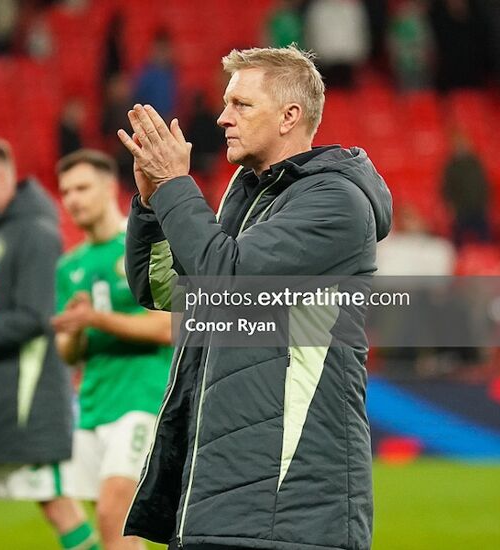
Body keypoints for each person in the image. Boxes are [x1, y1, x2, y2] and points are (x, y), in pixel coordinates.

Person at [116, 46, 392, 550]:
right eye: (226, 103)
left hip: (290, 508)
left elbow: (230, 282)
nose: (223, 118)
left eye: (242, 104)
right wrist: (155, 202)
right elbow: (162, 291)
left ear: (291, 116)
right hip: (219, 494)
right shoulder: (248, 201)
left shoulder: (336, 203)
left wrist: (177, 184)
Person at [0, 137, 98, 550]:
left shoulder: (36, 232)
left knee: (53, 502)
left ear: (1, 177)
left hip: (25, 397)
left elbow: (35, 317)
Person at [52, 149, 172, 550]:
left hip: (141, 398)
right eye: (66, 191)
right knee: (115, 527)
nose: (73, 199)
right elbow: (69, 354)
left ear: (108, 188)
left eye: (82, 187)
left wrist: (97, 320)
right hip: (92, 404)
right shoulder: (70, 266)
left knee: (113, 513)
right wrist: (72, 331)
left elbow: (170, 325)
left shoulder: (143, 242)